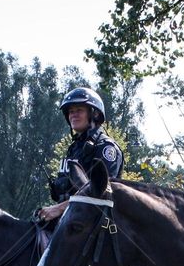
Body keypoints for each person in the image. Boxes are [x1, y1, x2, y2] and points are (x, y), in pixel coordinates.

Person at [39, 87, 123, 222]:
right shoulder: (75, 148)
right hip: (69, 217)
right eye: (71, 112)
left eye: (79, 110)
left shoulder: (105, 147)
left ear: (94, 114)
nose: (73, 115)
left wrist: (59, 209)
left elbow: (101, 196)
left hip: (92, 225)